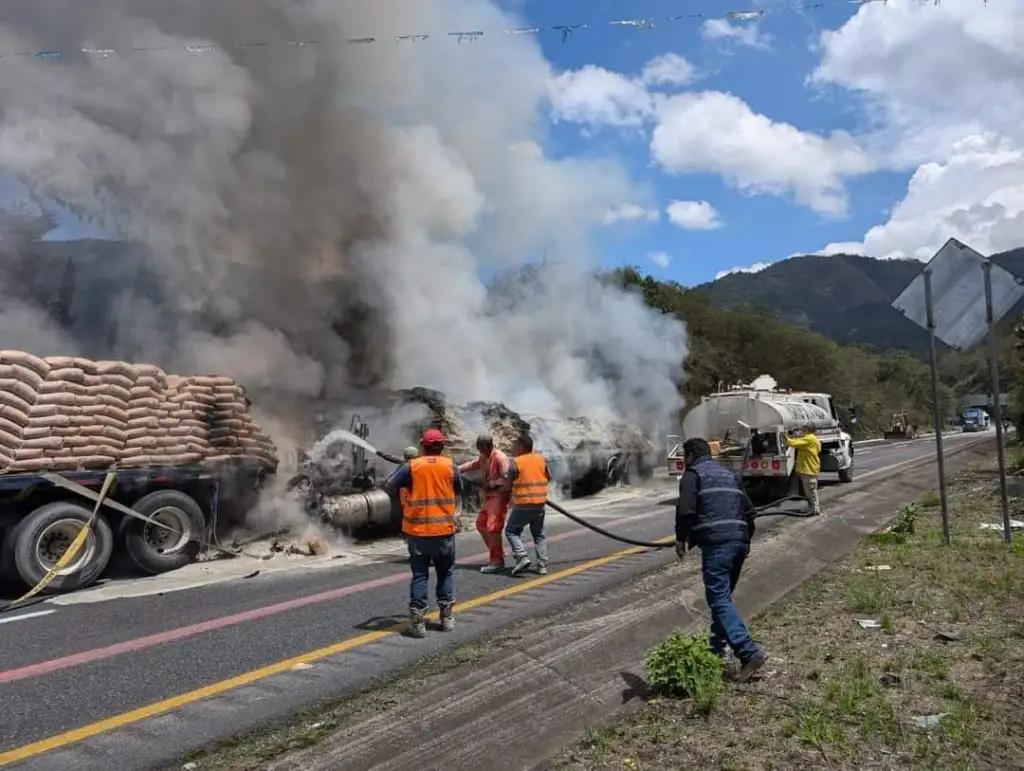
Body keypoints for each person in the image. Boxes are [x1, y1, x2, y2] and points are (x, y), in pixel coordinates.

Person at [675, 437, 766, 682]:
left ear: (691, 456)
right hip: (738, 541)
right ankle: (716, 654)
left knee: (718, 600)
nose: (684, 462)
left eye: (685, 457)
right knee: (722, 600)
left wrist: (680, 539)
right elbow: (749, 510)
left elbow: (685, 511)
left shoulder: (692, 475)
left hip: (717, 544)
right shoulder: (729, 474)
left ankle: (749, 652)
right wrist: (745, 541)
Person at [386, 429, 461, 638]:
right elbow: (458, 490)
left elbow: (389, 485)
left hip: (418, 532)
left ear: (422, 446)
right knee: (445, 573)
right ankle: (446, 619)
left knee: (420, 576)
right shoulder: (450, 466)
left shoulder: (412, 466)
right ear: (442, 446)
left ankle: (418, 624)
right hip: (444, 531)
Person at [459, 433, 511, 573]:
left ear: (485, 445)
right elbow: (474, 464)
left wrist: (491, 483)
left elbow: (507, 480)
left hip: (499, 496)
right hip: (489, 497)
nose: (478, 450)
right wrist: (457, 469)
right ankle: (497, 551)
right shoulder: (484, 456)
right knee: (481, 524)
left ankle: (497, 561)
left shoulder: (501, 458)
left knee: (493, 527)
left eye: (479, 447)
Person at [504, 434, 551, 576]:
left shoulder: (516, 462)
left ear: (522, 447)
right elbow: (548, 477)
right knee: (539, 534)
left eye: (517, 446)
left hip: (523, 504)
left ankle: (521, 556)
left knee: (511, 531)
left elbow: (507, 486)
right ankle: (542, 566)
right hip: (540, 504)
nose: (515, 448)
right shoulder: (541, 459)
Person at [785, 423, 822, 516]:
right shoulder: (812, 438)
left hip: (809, 469)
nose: (802, 430)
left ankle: (814, 510)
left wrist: (784, 435)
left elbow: (792, 443)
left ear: (808, 429)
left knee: (810, 491)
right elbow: (799, 440)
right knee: (810, 491)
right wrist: (793, 435)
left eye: (804, 429)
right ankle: (814, 509)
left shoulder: (809, 438)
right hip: (810, 469)